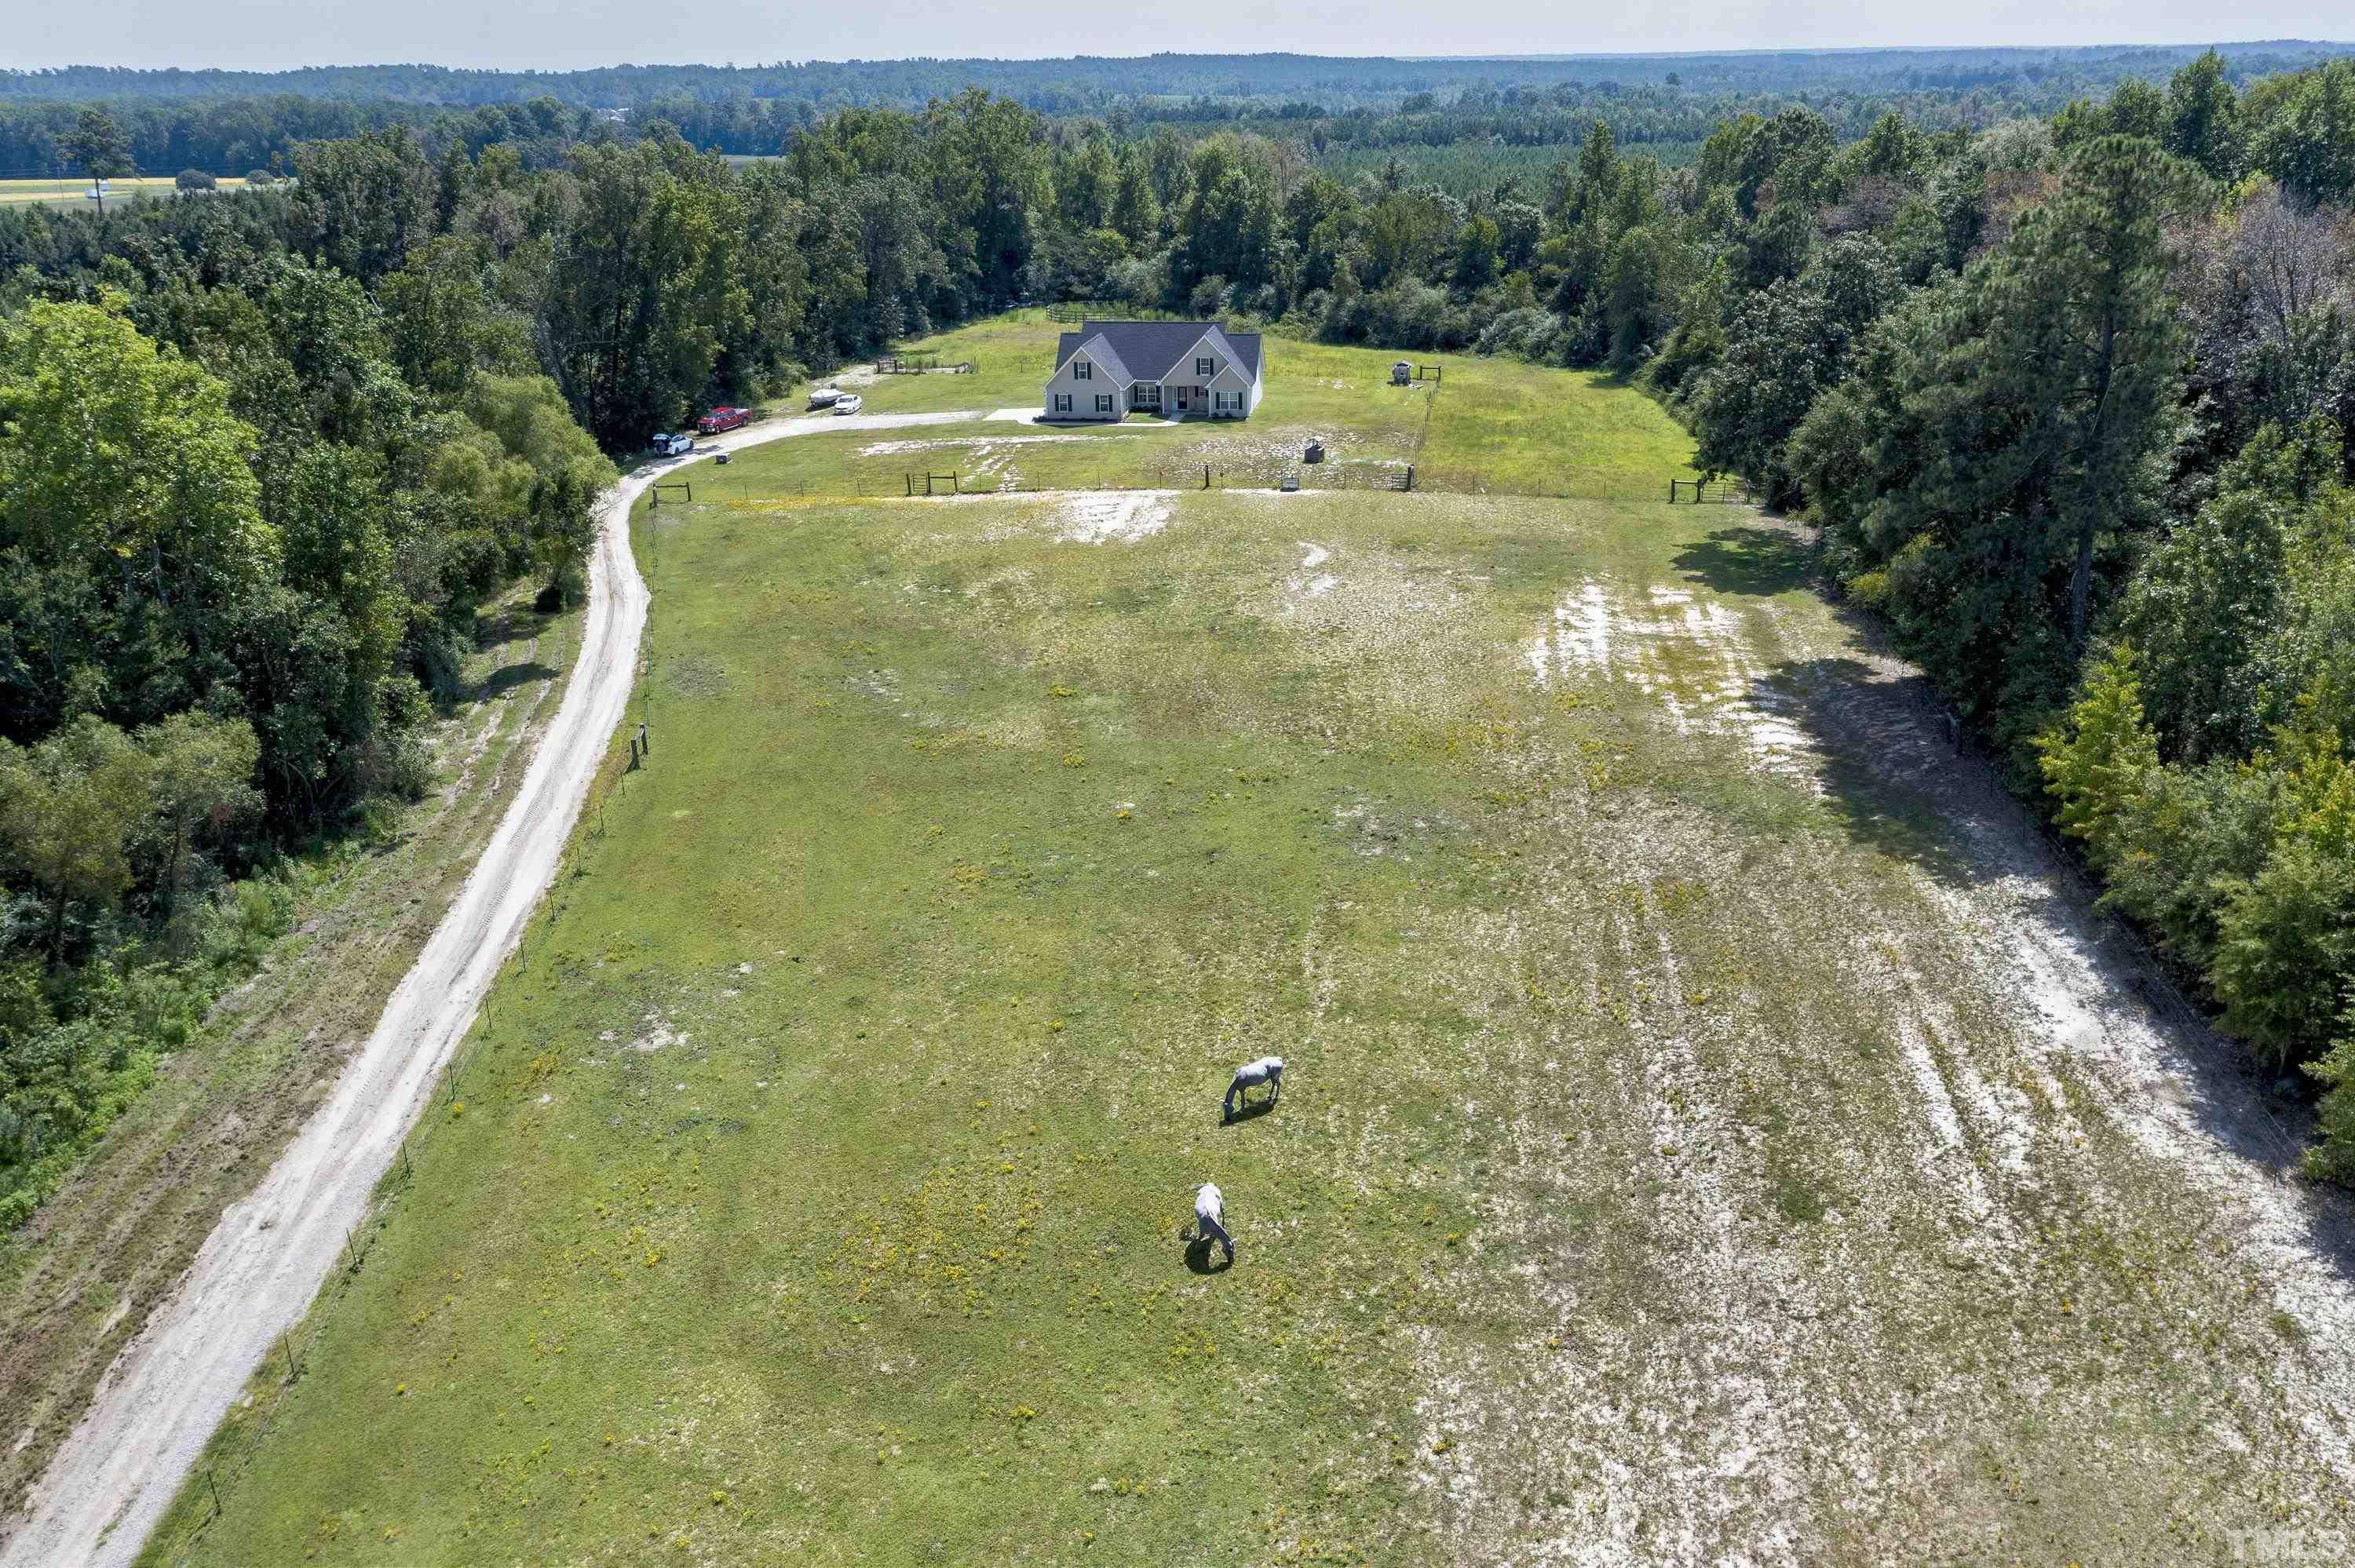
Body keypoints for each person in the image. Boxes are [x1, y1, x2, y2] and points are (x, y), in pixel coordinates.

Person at [1193, 1182, 1235, 1266]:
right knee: (1207, 1227)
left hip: (1207, 1211)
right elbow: (1221, 1207)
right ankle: (1199, 1241)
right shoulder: (1213, 1191)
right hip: (1204, 1212)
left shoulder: (1215, 1191)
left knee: (1211, 1226)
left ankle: (1200, 1241)